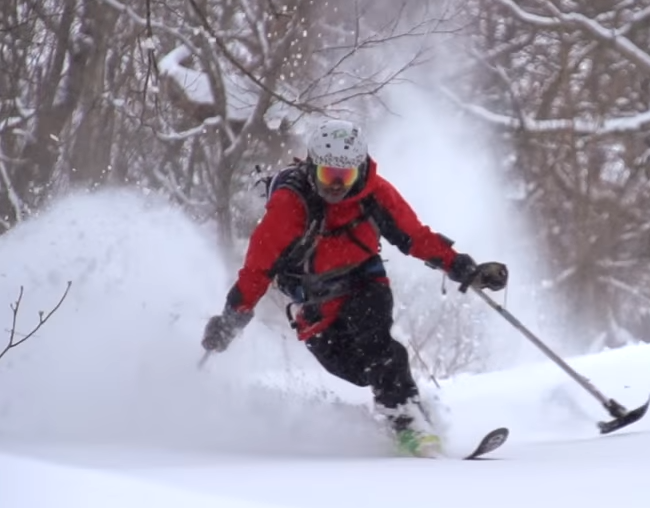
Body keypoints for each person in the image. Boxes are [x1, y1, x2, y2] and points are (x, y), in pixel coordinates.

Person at [200, 119, 508, 457]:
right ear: (312, 167)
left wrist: (463, 267)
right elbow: (256, 271)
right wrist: (231, 320)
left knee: (381, 350)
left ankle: (410, 423)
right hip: (316, 306)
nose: (336, 186)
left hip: (364, 282)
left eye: (344, 176)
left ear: (359, 169)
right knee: (359, 373)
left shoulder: (374, 193)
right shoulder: (290, 206)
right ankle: (399, 411)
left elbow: (415, 237)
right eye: (328, 175)